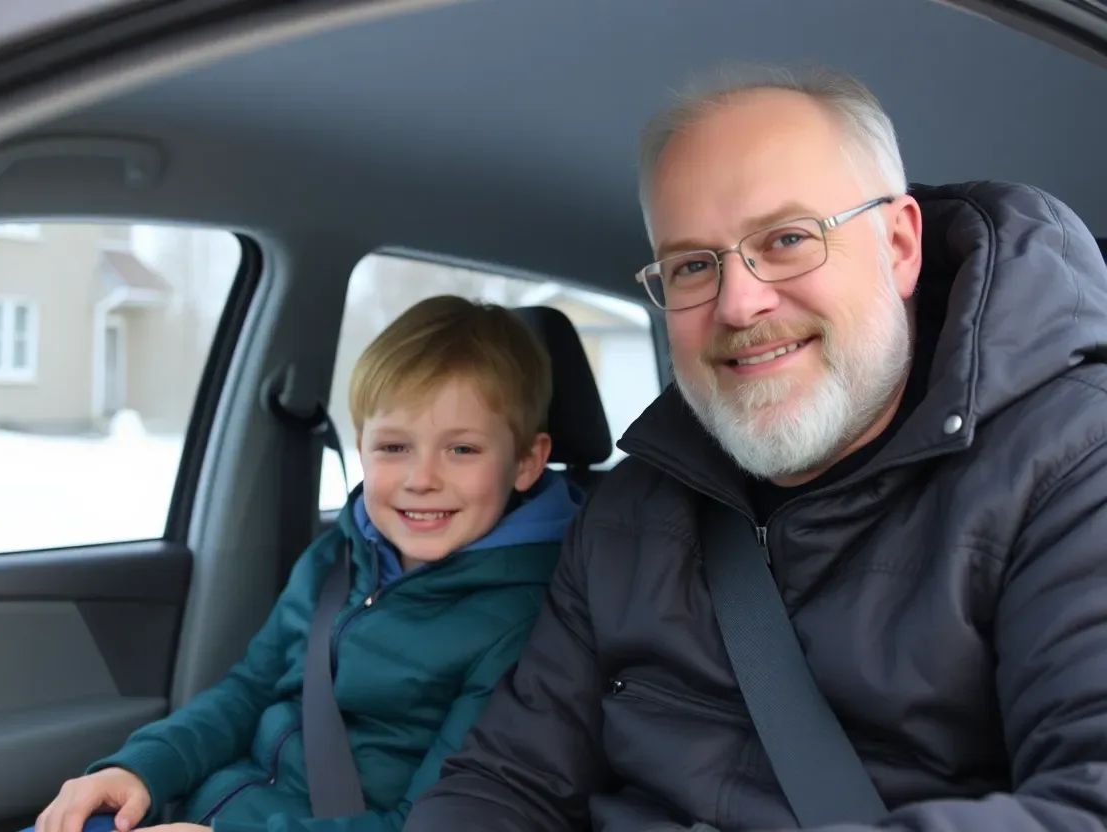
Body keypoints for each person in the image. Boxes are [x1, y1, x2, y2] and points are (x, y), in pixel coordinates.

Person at [406, 68, 1107, 830]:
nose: (740, 303)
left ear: (899, 245)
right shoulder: (627, 511)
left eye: (788, 240)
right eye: (693, 265)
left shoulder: (1072, 463)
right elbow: (508, 781)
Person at [31, 295, 579, 832]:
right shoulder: (335, 559)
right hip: (210, 809)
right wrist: (141, 768)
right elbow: (249, 691)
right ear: (361, 446)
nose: (421, 479)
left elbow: (434, 818)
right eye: (394, 448)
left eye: (461, 450)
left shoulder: (524, 622)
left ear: (527, 462)